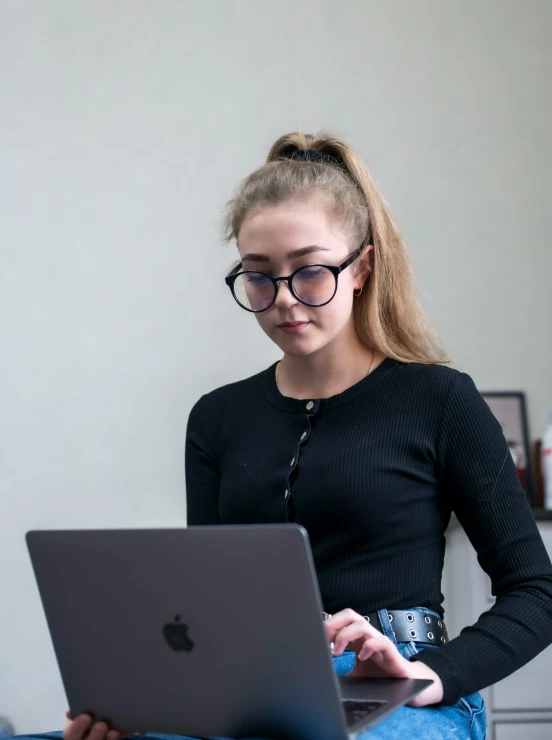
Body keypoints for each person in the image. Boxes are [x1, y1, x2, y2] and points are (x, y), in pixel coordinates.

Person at [22, 132, 552, 740]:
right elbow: (205, 615)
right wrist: (144, 706)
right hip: (253, 694)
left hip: (405, 692)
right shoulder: (217, 418)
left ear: (363, 268)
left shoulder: (440, 399)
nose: (285, 301)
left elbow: (537, 592)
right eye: (259, 276)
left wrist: (425, 674)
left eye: (310, 271)